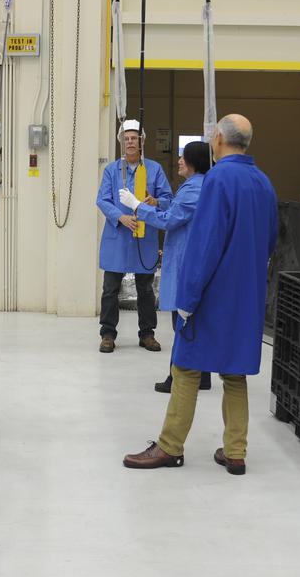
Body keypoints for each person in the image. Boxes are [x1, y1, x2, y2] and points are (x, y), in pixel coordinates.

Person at [123, 115, 277, 474]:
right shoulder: (263, 182)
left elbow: (205, 246)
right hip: (247, 296)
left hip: (212, 295)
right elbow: (270, 241)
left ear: (218, 138)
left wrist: (188, 299)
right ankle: (235, 452)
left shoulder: (217, 180)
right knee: (234, 373)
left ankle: (169, 447)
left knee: (186, 367)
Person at [120, 140, 212, 393]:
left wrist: (137, 206)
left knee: (182, 323)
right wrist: (157, 203)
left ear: (194, 162)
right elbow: (176, 209)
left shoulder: (194, 189)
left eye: (183, 158)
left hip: (185, 262)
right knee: (192, 321)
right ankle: (202, 376)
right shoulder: (196, 186)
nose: (179, 161)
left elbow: (170, 220)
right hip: (189, 258)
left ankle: (178, 378)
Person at [95, 119, 172, 353]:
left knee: (146, 289)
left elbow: (168, 199)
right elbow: (102, 200)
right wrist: (121, 217)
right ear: (121, 142)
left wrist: (155, 201)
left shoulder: (154, 170)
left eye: (134, 138)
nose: (130, 142)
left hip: (144, 237)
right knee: (110, 289)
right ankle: (108, 334)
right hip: (118, 236)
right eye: (126, 138)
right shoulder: (111, 170)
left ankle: (147, 334)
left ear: (142, 142)